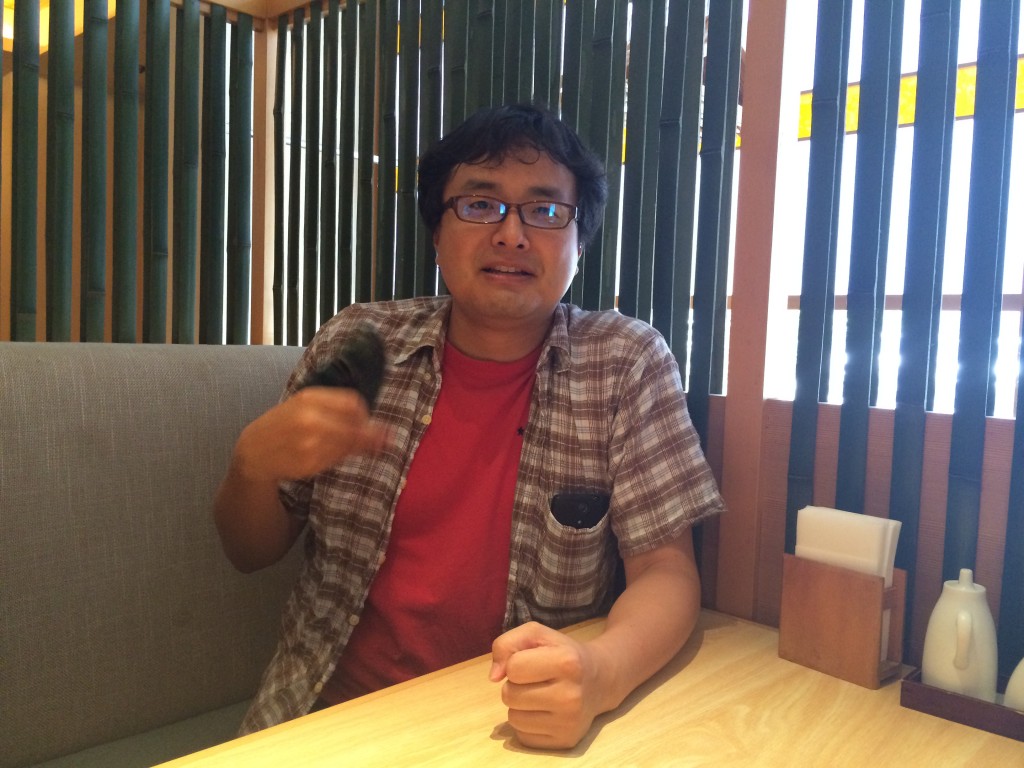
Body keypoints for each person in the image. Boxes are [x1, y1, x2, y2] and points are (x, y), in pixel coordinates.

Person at [214, 103, 725, 750]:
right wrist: (251, 465)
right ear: (437, 231)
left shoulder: (624, 363)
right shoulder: (358, 343)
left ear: (579, 243)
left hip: (511, 726)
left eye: (545, 210)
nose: (512, 234)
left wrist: (601, 673)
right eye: (480, 205)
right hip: (324, 717)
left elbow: (666, 574)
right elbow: (250, 552)